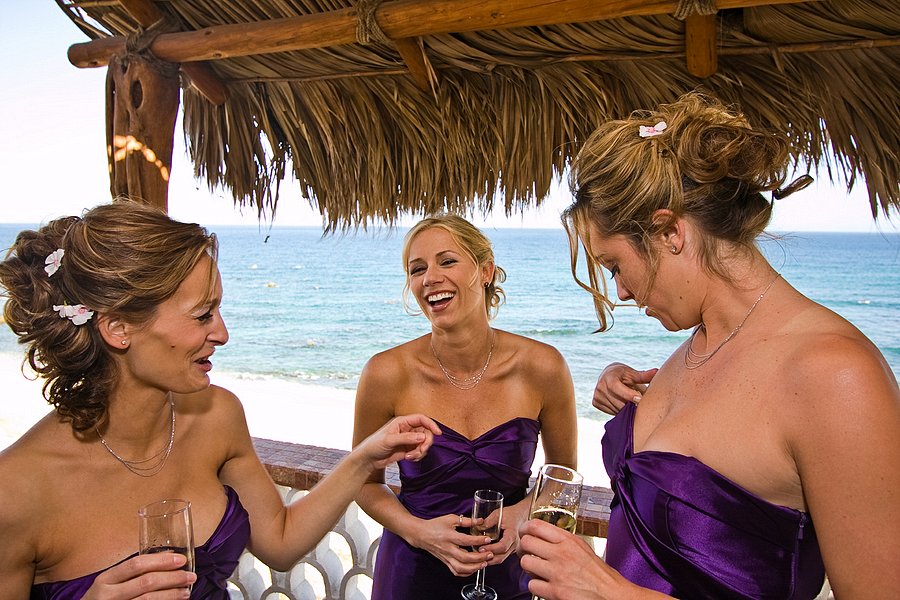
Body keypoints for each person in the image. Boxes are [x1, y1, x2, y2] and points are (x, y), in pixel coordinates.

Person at [517, 92, 900, 599]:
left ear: (669, 232)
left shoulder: (835, 376)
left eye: (614, 266)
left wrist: (612, 593)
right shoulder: (696, 349)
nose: (622, 292)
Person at [0, 200, 440, 598]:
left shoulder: (217, 415)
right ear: (118, 328)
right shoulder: (15, 491)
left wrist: (365, 457)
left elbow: (281, 541)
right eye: (203, 315)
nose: (223, 333)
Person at [352, 214, 578, 600]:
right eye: (417, 269)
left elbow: (562, 478)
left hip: (506, 574)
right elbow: (363, 482)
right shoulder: (386, 373)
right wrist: (418, 533)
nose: (430, 278)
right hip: (411, 574)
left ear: (485, 271)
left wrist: (520, 514)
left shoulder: (544, 367)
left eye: (447, 261)